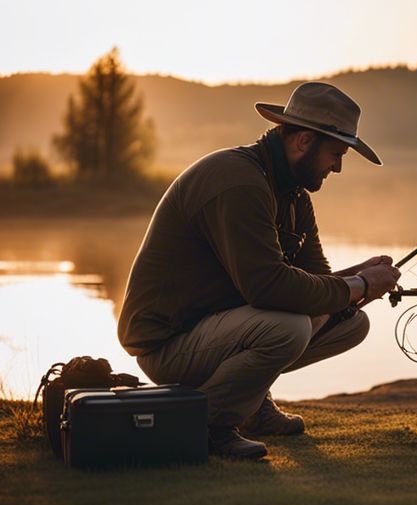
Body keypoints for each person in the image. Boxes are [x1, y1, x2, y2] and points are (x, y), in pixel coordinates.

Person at [117, 82, 401, 459]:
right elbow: (267, 288)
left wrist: (359, 276)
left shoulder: (293, 196)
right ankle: (209, 426)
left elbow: (314, 283)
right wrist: (359, 284)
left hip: (220, 330)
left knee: (350, 322)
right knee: (289, 328)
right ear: (304, 141)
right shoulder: (239, 182)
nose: (338, 167)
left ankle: (252, 406)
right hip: (168, 345)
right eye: (335, 154)